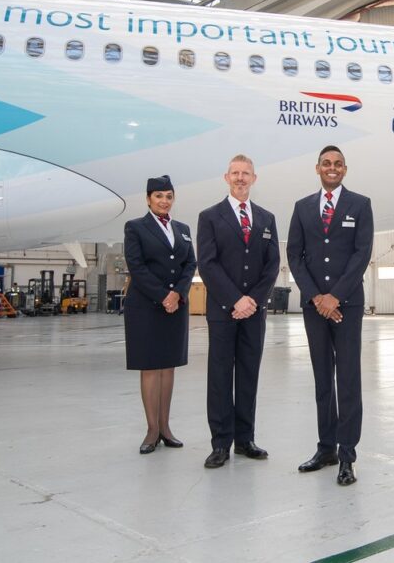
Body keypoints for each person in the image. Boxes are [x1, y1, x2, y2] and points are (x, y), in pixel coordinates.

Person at [287, 146, 374, 487]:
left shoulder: (360, 205)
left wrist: (336, 296)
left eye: (338, 164)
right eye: (327, 163)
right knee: (323, 379)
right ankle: (326, 448)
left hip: (347, 306)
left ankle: (347, 455)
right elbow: (295, 255)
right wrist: (317, 297)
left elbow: (361, 253)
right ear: (317, 168)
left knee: (348, 380)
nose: (332, 168)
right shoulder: (303, 208)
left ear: (345, 169)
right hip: (315, 306)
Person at [197, 155, 280, 468]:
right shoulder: (210, 217)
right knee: (220, 377)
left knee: (248, 374)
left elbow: (272, 264)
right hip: (223, 311)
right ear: (226, 177)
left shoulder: (266, 218)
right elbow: (207, 262)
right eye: (236, 173)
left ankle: (245, 440)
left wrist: (253, 301)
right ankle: (220, 443)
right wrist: (235, 300)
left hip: (254, 313)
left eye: (246, 173)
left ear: (254, 178)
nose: (241, 178)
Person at [123, 175, 197, 455]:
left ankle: (166, 428)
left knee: (168, 366)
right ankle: (152, 429)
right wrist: (163, 295)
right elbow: (136, 266)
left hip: (175, 306)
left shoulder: (183, 228)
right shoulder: (136, 227)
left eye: (168, 196)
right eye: (158, 196)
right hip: (146, 306)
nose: (164, 201)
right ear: (148, 199)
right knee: (151, 367)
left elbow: (190, 262)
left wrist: (177, 293)